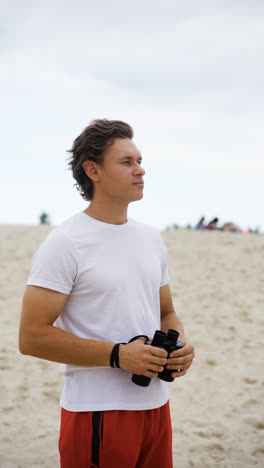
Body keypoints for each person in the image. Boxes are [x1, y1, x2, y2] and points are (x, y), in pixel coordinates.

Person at [19, 119, 195, 468]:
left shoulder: (150, 238)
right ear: (93, 170)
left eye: (139, 160)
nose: (140, 170)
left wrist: (179, 350)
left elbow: (166, 312)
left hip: (156, 408)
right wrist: (118, 355)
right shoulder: (65, 242)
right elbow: (31, 337)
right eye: (127, 162)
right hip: (96, 412)